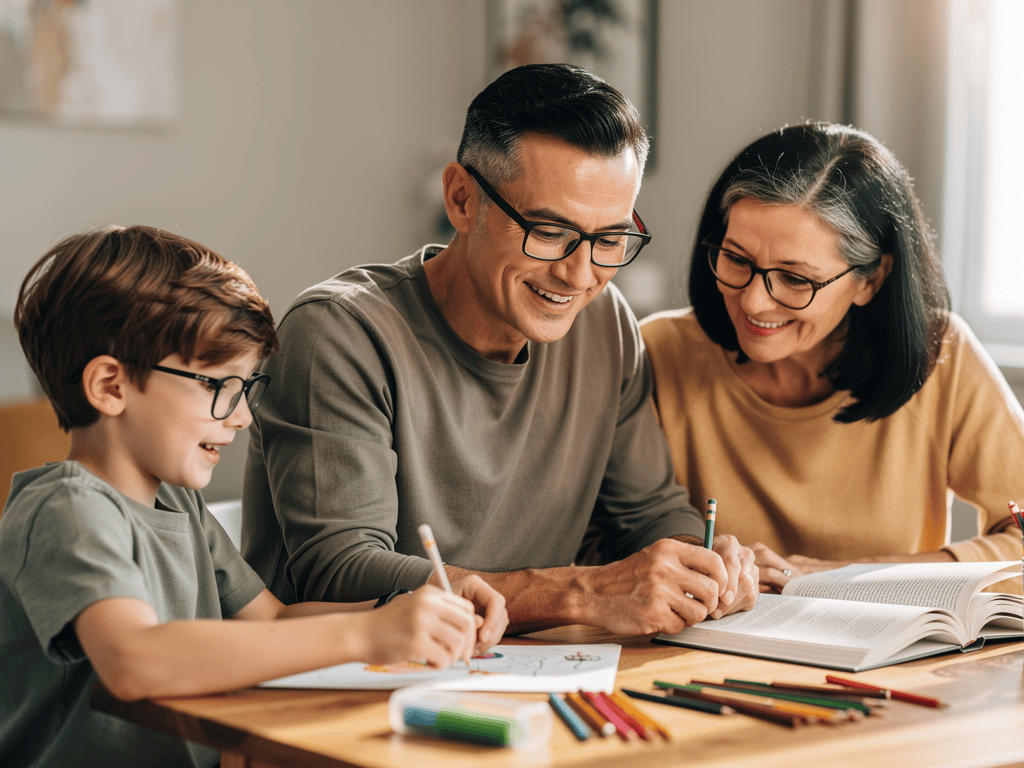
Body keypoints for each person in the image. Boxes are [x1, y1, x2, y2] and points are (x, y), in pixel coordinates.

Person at [243, 63, 759, 635]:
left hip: (528, 676)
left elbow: (645, 513)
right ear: (462, 200)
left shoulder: (604, 324)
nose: (579, 274)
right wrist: (577, 593)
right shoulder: (339, 335)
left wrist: (697, 563)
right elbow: (339, 572)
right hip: (341, 691)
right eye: (548, 231)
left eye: (610, 239)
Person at [0, 226, 507, 768]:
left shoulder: (177, 504)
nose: (242, 416)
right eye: (218, 386)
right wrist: (368, 634)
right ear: (110, 386)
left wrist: (403, 606)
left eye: (246, 389)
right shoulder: (65, 508)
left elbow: (271, 622)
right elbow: (134, 659)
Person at [640, 122, 1024, 593]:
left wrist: (851, 577)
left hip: (884, 656)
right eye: (737, 259)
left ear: (871, 280)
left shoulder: (943, 356)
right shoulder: (657, 351)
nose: (755, 302)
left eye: (796, 279)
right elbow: (610, 542)